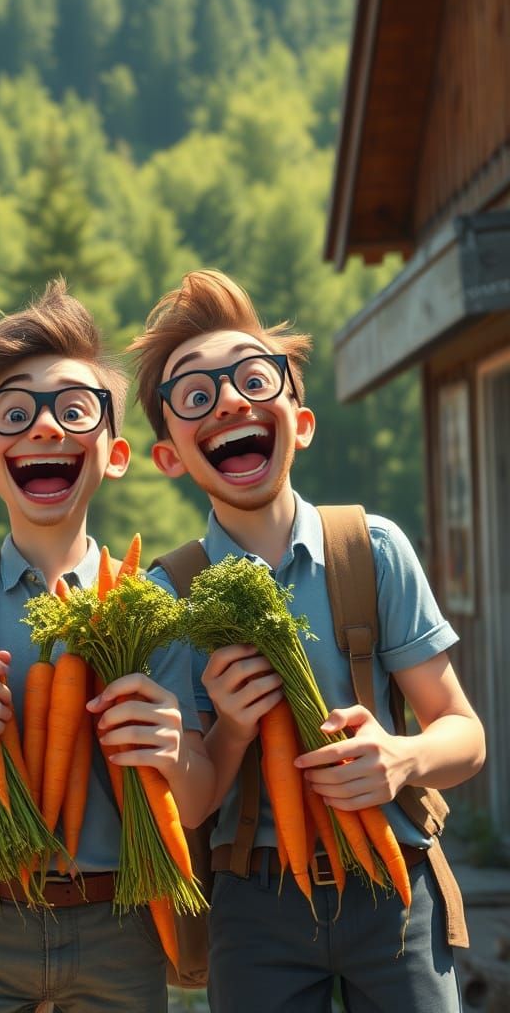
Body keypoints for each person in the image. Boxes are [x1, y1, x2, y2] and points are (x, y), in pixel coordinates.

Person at [130, 268, 486, 1012]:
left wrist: (402, 756)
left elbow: (465, 736)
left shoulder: (371, 549)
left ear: (300, 420)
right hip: (254, 903)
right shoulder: (169, 596)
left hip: (396, 883)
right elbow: (191, 805)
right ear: (170, 456)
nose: (229, 400)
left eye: (252, 381)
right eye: (197, 396)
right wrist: (228, 730)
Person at [0, 280, 216, 1013]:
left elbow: (196, 797)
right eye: (13, 413)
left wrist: (171, 748)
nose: (43, 428)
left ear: (116, 453)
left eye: (73, 410)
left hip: (121, 917)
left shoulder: (149, 606)